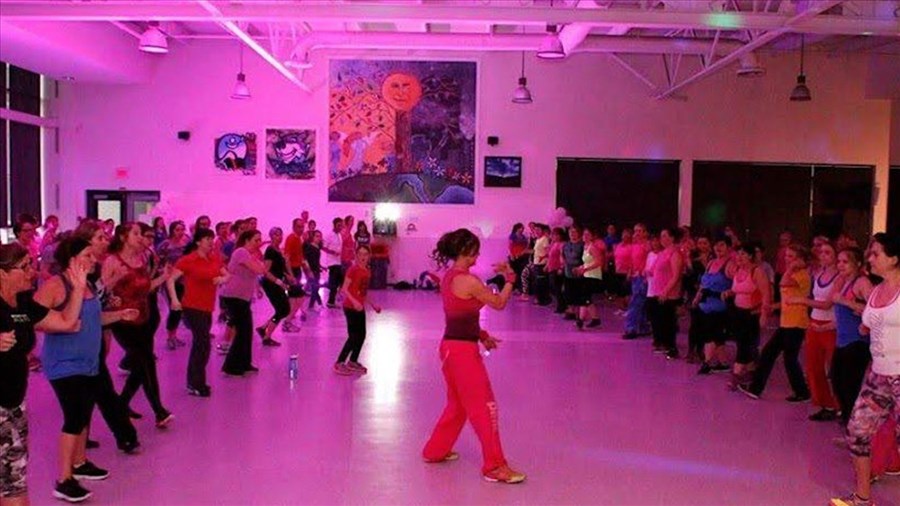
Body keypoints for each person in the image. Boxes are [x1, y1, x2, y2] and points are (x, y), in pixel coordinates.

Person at [34, 237, 139, 503]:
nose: (95, 260)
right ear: (72, 259)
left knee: (84, 415)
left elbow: (94, 317)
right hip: (64, 364)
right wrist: (62, 323)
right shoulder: (56, 286)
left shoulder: (89, 285)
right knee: (75, 416)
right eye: (89, 256)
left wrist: (119, 314)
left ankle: (80, 463)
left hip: (89, 361)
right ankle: (64, 479)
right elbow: (35, 321)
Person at [421, 228, 525, 484]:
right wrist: (510, 278)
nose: (477, 256)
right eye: (474, 252)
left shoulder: (449, 277)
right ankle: (495, 466)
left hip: (451, 347)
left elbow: (461, 315)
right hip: (461, 353)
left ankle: (435, 451)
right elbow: (499, 303)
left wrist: (481, 334)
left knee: (458, 405)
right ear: (464, 251)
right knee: (485, 405)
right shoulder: (468, 281)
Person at [1, 243, 84, 506]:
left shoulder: (24, 302)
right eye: (24, 267)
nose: (33, 271)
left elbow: (66, 323)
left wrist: (79, 289)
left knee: (14, 485)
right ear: (2, 273)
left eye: (32, 263)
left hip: (13, 405)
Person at [832, 232, 900, 506]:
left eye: (876, 254)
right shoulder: (876, 290)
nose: (869, 258)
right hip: (878, 374)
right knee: (858, 431)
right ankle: (862, 499)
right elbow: (869, 322)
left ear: (894, 259)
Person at [104, 223, 173, 427]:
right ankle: (159, 410)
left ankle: (122, 403)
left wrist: (163, 277)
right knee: (145, 363)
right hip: (123, 320)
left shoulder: (141, 259)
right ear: (124, 237)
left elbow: (145, 288)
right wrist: (112, 298)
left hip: (144, 317)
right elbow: (101, 290)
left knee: (142, 365)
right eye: (136, 234)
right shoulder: (113, 260)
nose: (141, 238)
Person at [739, 244, 811, 402]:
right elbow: (787, 299)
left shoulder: (802, 275)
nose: (787, 259)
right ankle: (756, 388)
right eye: (787, 256)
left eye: (792, 257)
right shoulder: (794, 273)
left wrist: (791, 269)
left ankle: (802, 392)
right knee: (769, 353)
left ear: (801, 260)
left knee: (788, 358)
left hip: (796, 323)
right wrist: (772, 306)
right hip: (787, 322)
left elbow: (784, 283)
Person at [168, 229, 228, 397]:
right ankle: (195, 382)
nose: (210, 242)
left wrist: (221, 279)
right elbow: (171, 279)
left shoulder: (214, 258)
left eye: (211, 239)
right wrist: (174, 300)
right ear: (198, 242)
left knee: (201, 344)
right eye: (207, 239)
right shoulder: (188, 260)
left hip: (207, 307)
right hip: (192, 306)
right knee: (202, 343)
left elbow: (227, 274)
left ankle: (196, 381)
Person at [792, 241, 842, 421]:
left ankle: (840, 405)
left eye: (828, 253)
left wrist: (802, 301)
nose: (823, 256)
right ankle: (824, 403)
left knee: (833, 368)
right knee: (813, 367)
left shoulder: (839, 277)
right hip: (814, 323)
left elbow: (828, 303)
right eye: (821, 253)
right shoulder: (818, 273)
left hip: (830, 325)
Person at [830, 248, 873, 427]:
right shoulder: (845, 282)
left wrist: (845, 301)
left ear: (857, 264)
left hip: (857, 342)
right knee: (837, 380)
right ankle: (850, 423)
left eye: (845, 262)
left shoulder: (861, 282)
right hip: (843, 341)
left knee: (849, 386)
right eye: (838, 261)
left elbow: (875, 308)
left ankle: (854, 427)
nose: (840, 265)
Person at [220, 230, 268, 376]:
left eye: (260, 240)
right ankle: (232, 366)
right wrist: (260, 263)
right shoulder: (241, 252)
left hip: (242, 298)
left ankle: (244, 363)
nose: (259, 243)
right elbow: (260, 270)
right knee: (242, 332)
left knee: (246, 331)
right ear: (247, 240)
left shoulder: (249, 255)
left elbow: (258, 271)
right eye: (256, 240)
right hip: (234, 297)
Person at [333, 245, 381, 375]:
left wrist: (373, 305)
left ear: (369, 256)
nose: (363, 257)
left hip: (360, 307)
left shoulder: (367, 271)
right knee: (353, 336)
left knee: (362, 335)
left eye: (366, 254)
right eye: (360, 254)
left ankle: (353, 360)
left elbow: (363, 292)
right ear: (356, 255)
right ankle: (339, 362)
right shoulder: (353, 269)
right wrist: (354, 302)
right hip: (350, 307)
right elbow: (344, 289)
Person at [256, 227, 305, 343]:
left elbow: (279, 267)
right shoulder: (270, 251)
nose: (280, 237)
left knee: (283, 309)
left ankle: (264, 329)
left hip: (278, 282)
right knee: (283, 309)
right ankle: (266, 336)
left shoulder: (278, 250)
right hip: (271, 283)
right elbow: (266, 271)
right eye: (277, 235)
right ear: (272, 236)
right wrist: (279, 282)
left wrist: (288, 276)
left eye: (281, 234)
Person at [157, 221, 190, 350]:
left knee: (180, 308)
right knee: (174, 308)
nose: (180, 232)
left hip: (182, 279)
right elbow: (159, 260)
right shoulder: (165, 245)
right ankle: (170, 337)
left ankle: (174, 335)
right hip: (170, 280)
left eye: (182, 229)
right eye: (177, 229)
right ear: (172, 230)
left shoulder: (185, 244)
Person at [322, 218, 344, 308]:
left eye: (341, 225)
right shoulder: (329, 235)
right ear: (334, 225)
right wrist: (332, 252)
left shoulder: (339, 235)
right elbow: (323, 247)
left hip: (338, 262)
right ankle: (331, 301)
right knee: (335, 282)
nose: (340, 227)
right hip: (332, 263)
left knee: (340, 281)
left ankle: (332, 299)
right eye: (339, 225)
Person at [304, 230, 324, 310]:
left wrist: (321, 266)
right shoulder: (310, 247)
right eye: (317, 236)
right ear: (313, 237)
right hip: (312, 271)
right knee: (315, 288)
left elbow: (316, 260)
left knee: (315, 288)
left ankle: (316, 304)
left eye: (320, 236)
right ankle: (315, 305)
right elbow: (306, 260)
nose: (318, 238)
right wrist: (309, 271)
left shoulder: (317, 248)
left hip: (316, 271)